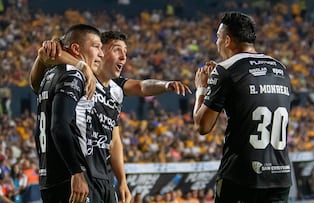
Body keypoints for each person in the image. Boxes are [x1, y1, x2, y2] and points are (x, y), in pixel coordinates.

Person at [30, 30, 191, 203]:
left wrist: (122, 181)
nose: (123, 57)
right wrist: (60, 57)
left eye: (126, 53)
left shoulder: (116, 91)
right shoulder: (79, 76)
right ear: (101, 50)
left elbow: (115, 139)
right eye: (117, 50)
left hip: (103, 178)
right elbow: (48, 60)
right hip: (78, 173)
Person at [193, 12, 292, 202]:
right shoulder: (280, 68)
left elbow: (202, 126)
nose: (217, 43)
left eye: (218, 38)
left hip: (241, 177)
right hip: (280, 176)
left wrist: (202, 88)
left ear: (227, 40)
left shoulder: (226, 69)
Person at [32, 23, 104, 203]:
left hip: (49, 177)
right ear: (76, 48)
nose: (101, 54)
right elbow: (59, 126)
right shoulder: (74, 74)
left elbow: (34, 83)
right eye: (96, 46)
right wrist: (76, 172)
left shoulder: (50, 74)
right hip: (69, 181)